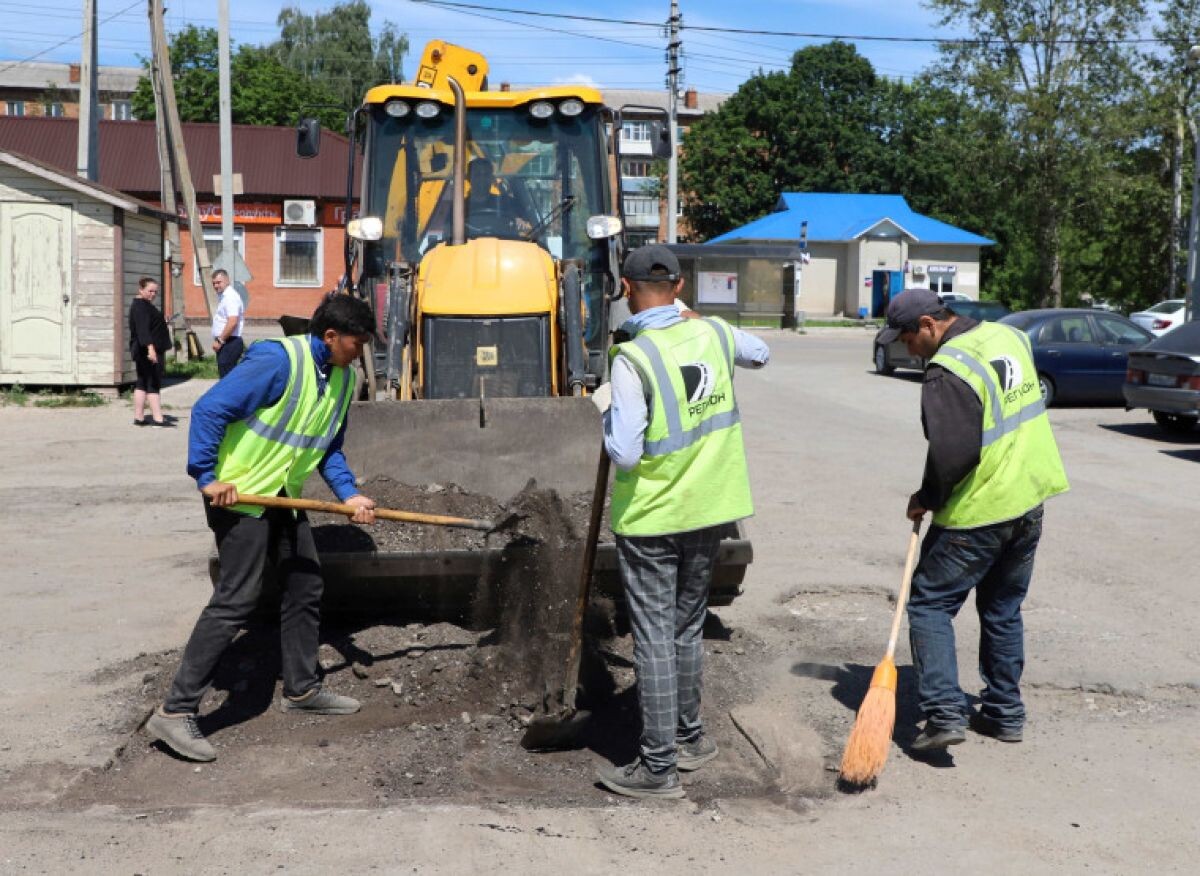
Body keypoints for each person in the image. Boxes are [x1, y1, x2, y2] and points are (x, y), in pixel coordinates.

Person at [145, 295, 379, 762]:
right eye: (357, 343)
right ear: (331, 336)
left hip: (282, 495)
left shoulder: (343, 378)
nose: (361, 352)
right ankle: (175, 711)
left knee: (305, 583)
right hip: (240, 496)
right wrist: (207, 477)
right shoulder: (277, 360)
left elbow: (328, 447)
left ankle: (301, 690)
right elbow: (211, 409)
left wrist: (348, 494)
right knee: (236, 598)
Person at [595, 245, 769, 799]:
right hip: (711, 509)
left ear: (626, 288)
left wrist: (603, 410)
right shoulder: (714, 333)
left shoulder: (633, 358)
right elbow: (761, 352)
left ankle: (658, 766)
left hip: (652, 516)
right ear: (677, 286)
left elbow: (624, 451)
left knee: (652, 637)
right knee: (686, 627)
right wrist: (700, 318)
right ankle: (691, 740)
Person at [875, 289, 1070, 752]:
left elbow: (953, 452)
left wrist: (928, 496)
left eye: (907, 339)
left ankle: (944, 715)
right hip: (1029, 498)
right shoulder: (1007, 336)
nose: (907, 349)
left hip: (982, 509)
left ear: (928, 324)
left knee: (928, 605)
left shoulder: (947, 370)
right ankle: (1005, 714)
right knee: (1002, 609)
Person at [128, 276, 173, 427]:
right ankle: (158, 418)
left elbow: (149, 325)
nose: (153, 294)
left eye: (155, 292)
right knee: (153, 383)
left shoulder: (143, 305)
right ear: (140, 289)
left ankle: (139, 417)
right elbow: (143, 330)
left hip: (143, 350)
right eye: (150, 291)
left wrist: (161, 322)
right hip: (147, 351)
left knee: (142, 383)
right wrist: (151, 349)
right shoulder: (141, 306)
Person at [211, 268, 246, 378]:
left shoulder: (230, 297)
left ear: (227, 281)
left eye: (218, 282)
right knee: (226, 376)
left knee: (227, 378)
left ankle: (233, 395)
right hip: (227, 342)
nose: (216, 286)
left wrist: (220, 340)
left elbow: (232, 322)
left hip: (230, 342)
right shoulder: (224, 296)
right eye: (214, 283)